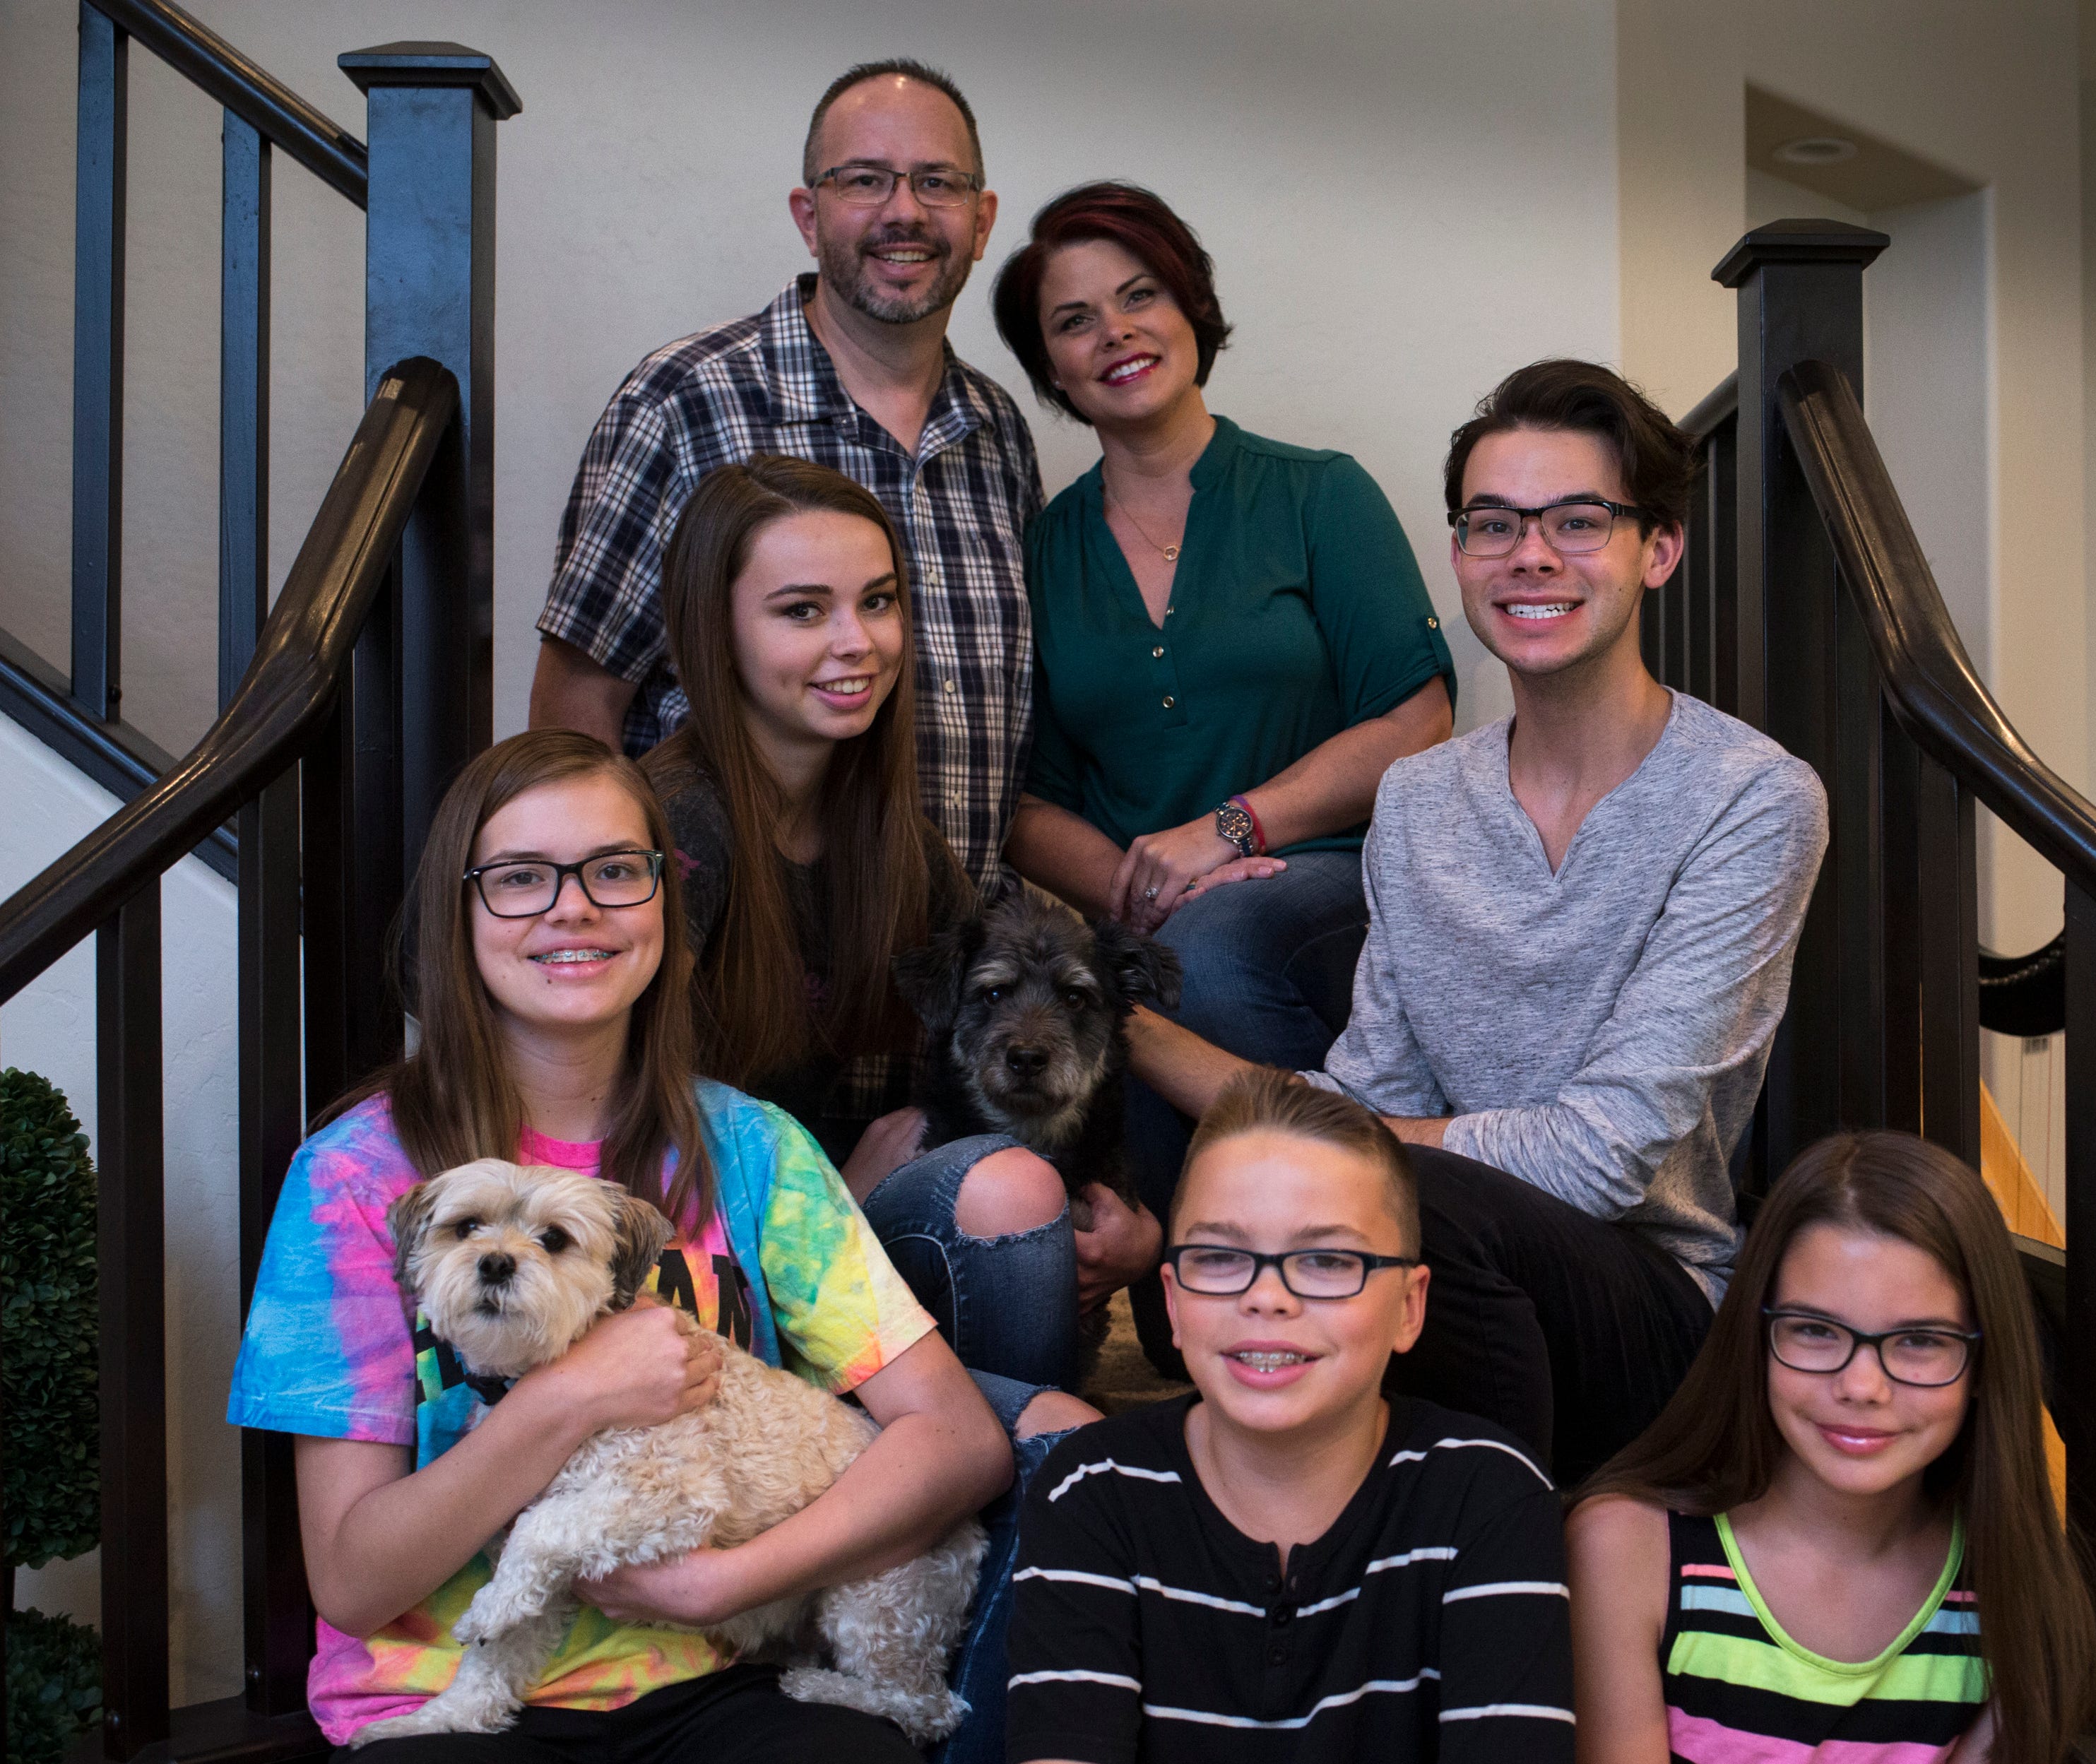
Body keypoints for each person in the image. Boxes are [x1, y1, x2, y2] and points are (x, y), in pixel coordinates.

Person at [225, 729, 1087, 1760]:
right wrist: (573, 1392)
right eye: (519, 877)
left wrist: (723, 1581)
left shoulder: (752, 1149)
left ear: (669, 919)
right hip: (438, 1697)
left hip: (712, 1680)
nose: (573, 904)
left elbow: (953, 1440)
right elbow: (355, 1577)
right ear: (458, 920)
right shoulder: (355, 1177)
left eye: (615, 870)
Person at [1126, 360, 1830, 1480]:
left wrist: (1357, 1163)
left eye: (1578, 520)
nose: (1530, 555)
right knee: (1206, 1288)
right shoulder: (1416, 797)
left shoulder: (1749, 800)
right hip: (1440, 1267)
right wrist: (1124, 1035)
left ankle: (1496, 1579)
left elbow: (1600, 1163)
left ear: (1658, 549)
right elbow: (1373, 1097)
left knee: (1396, 1217)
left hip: (1647, 1303)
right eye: (1493, 523)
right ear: (1457, 556)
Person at [989, 179, 1455, 1260]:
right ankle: (1188, 1272)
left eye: (1139, 294)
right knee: (1166, 955)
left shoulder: (1318, 494)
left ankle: (1311, 1242)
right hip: (1147, 920)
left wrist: (1231, 830)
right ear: (1051, 370)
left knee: (1213, 943)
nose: (1115, 333)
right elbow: (1027, 795)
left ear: (1190, 306)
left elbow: (1417, 715)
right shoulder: (1041, 554)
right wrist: (1139, 885)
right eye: (1073, 321)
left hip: (1340, 883)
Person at [643, 454, 1107, 1392]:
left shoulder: (888, 837)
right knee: (1002, 1192)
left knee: (1017, 1177)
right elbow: (606, 1122)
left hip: (816, 1237)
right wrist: (834, 1195)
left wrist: (1176, 1168)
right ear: (716, 629)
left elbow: (1032, 981)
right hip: (680, 1275)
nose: (858, 641)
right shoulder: (676, 822)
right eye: (803, 610)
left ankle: (1014, 1468)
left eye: (879, 601)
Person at [532, 59, 1039, 895]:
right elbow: (579, 708)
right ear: (810, 216)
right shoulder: (684, 399)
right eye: (866, 180)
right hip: (727, 958)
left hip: (946, 972)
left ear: (982, 222)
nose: (904, 211)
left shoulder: (998, 435)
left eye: (937, 183)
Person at [1007, 1070, 1571, 1763]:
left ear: (1409, 1306)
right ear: (1174, 1304)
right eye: (1220, 1256)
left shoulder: (1490, 1500)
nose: (1266, 1296)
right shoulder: (1092, 1490)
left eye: (1329, 1259)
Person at [1566, 1130, 2096, 1764]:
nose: (1860, 1386)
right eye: (1815, 1329)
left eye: (1919, 1341)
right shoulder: (1629, 1549)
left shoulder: (2011, 1593)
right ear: (1756, 1331)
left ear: (1985, 1363)